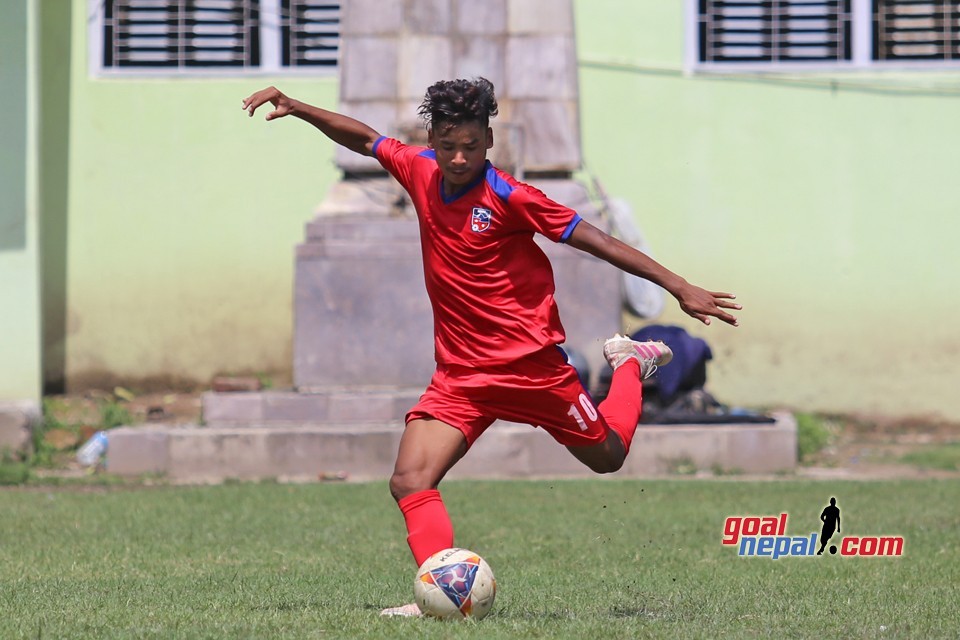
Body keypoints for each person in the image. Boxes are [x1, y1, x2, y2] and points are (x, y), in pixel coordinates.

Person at [242, 78, 741, 617]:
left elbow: (597, 240)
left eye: (472, 146)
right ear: (432, 138)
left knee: (608, 457)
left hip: (532, 371)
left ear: (489, 142)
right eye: (450, 144)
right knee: (410, 479)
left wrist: (679, 286)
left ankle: (630, 362)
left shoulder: (510, 196)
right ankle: (442, 590)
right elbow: (366, 139)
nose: (460, 157)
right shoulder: (418, 168)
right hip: (460, 377)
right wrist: (295, 108)